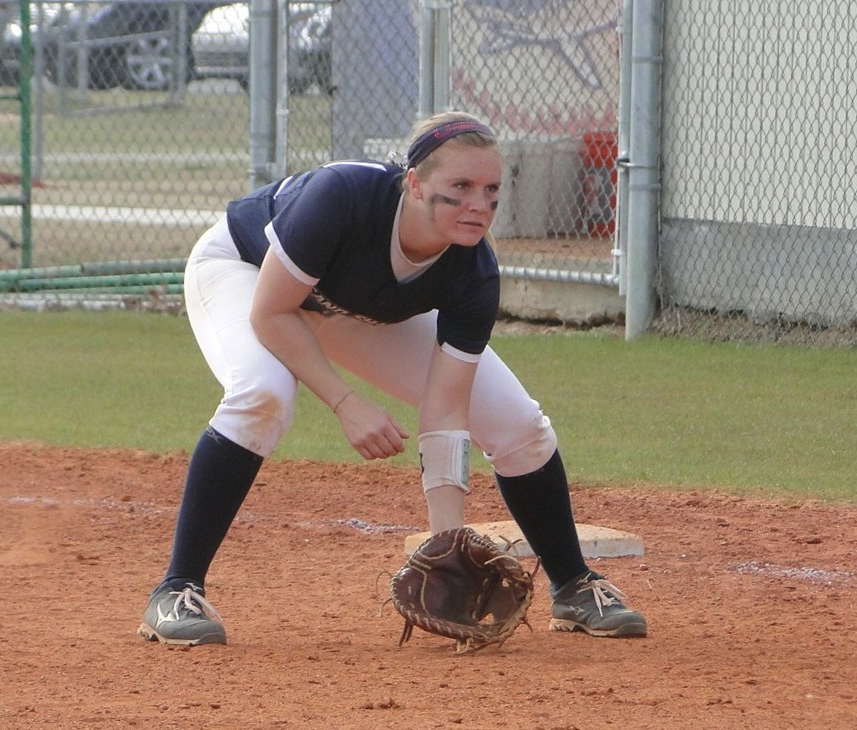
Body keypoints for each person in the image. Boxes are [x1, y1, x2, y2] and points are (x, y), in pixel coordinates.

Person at [137, 111, 647, 647]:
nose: (479, 205)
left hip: (351, 308)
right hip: (247, 274)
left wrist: (447, 546)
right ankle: (176, 589)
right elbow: (271, 313)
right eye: (461, 186)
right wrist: (344, 402)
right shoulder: (343, 196)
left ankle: (573, 586)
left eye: (492, 189)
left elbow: (448, 407)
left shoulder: (473, 272)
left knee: (518, 424)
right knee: (262, 394)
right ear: (415, 183)